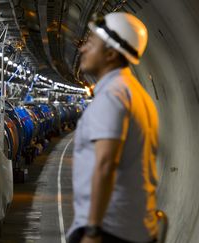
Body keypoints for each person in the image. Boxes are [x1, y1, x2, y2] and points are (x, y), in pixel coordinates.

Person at [67, 12, 159, 243]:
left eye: (90, 44)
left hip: (111, 230)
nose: (82, 49)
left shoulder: (112, 96)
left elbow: (106, 163)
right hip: (133, 225)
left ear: (110, 53)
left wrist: (92, 230)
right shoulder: (134, 93)